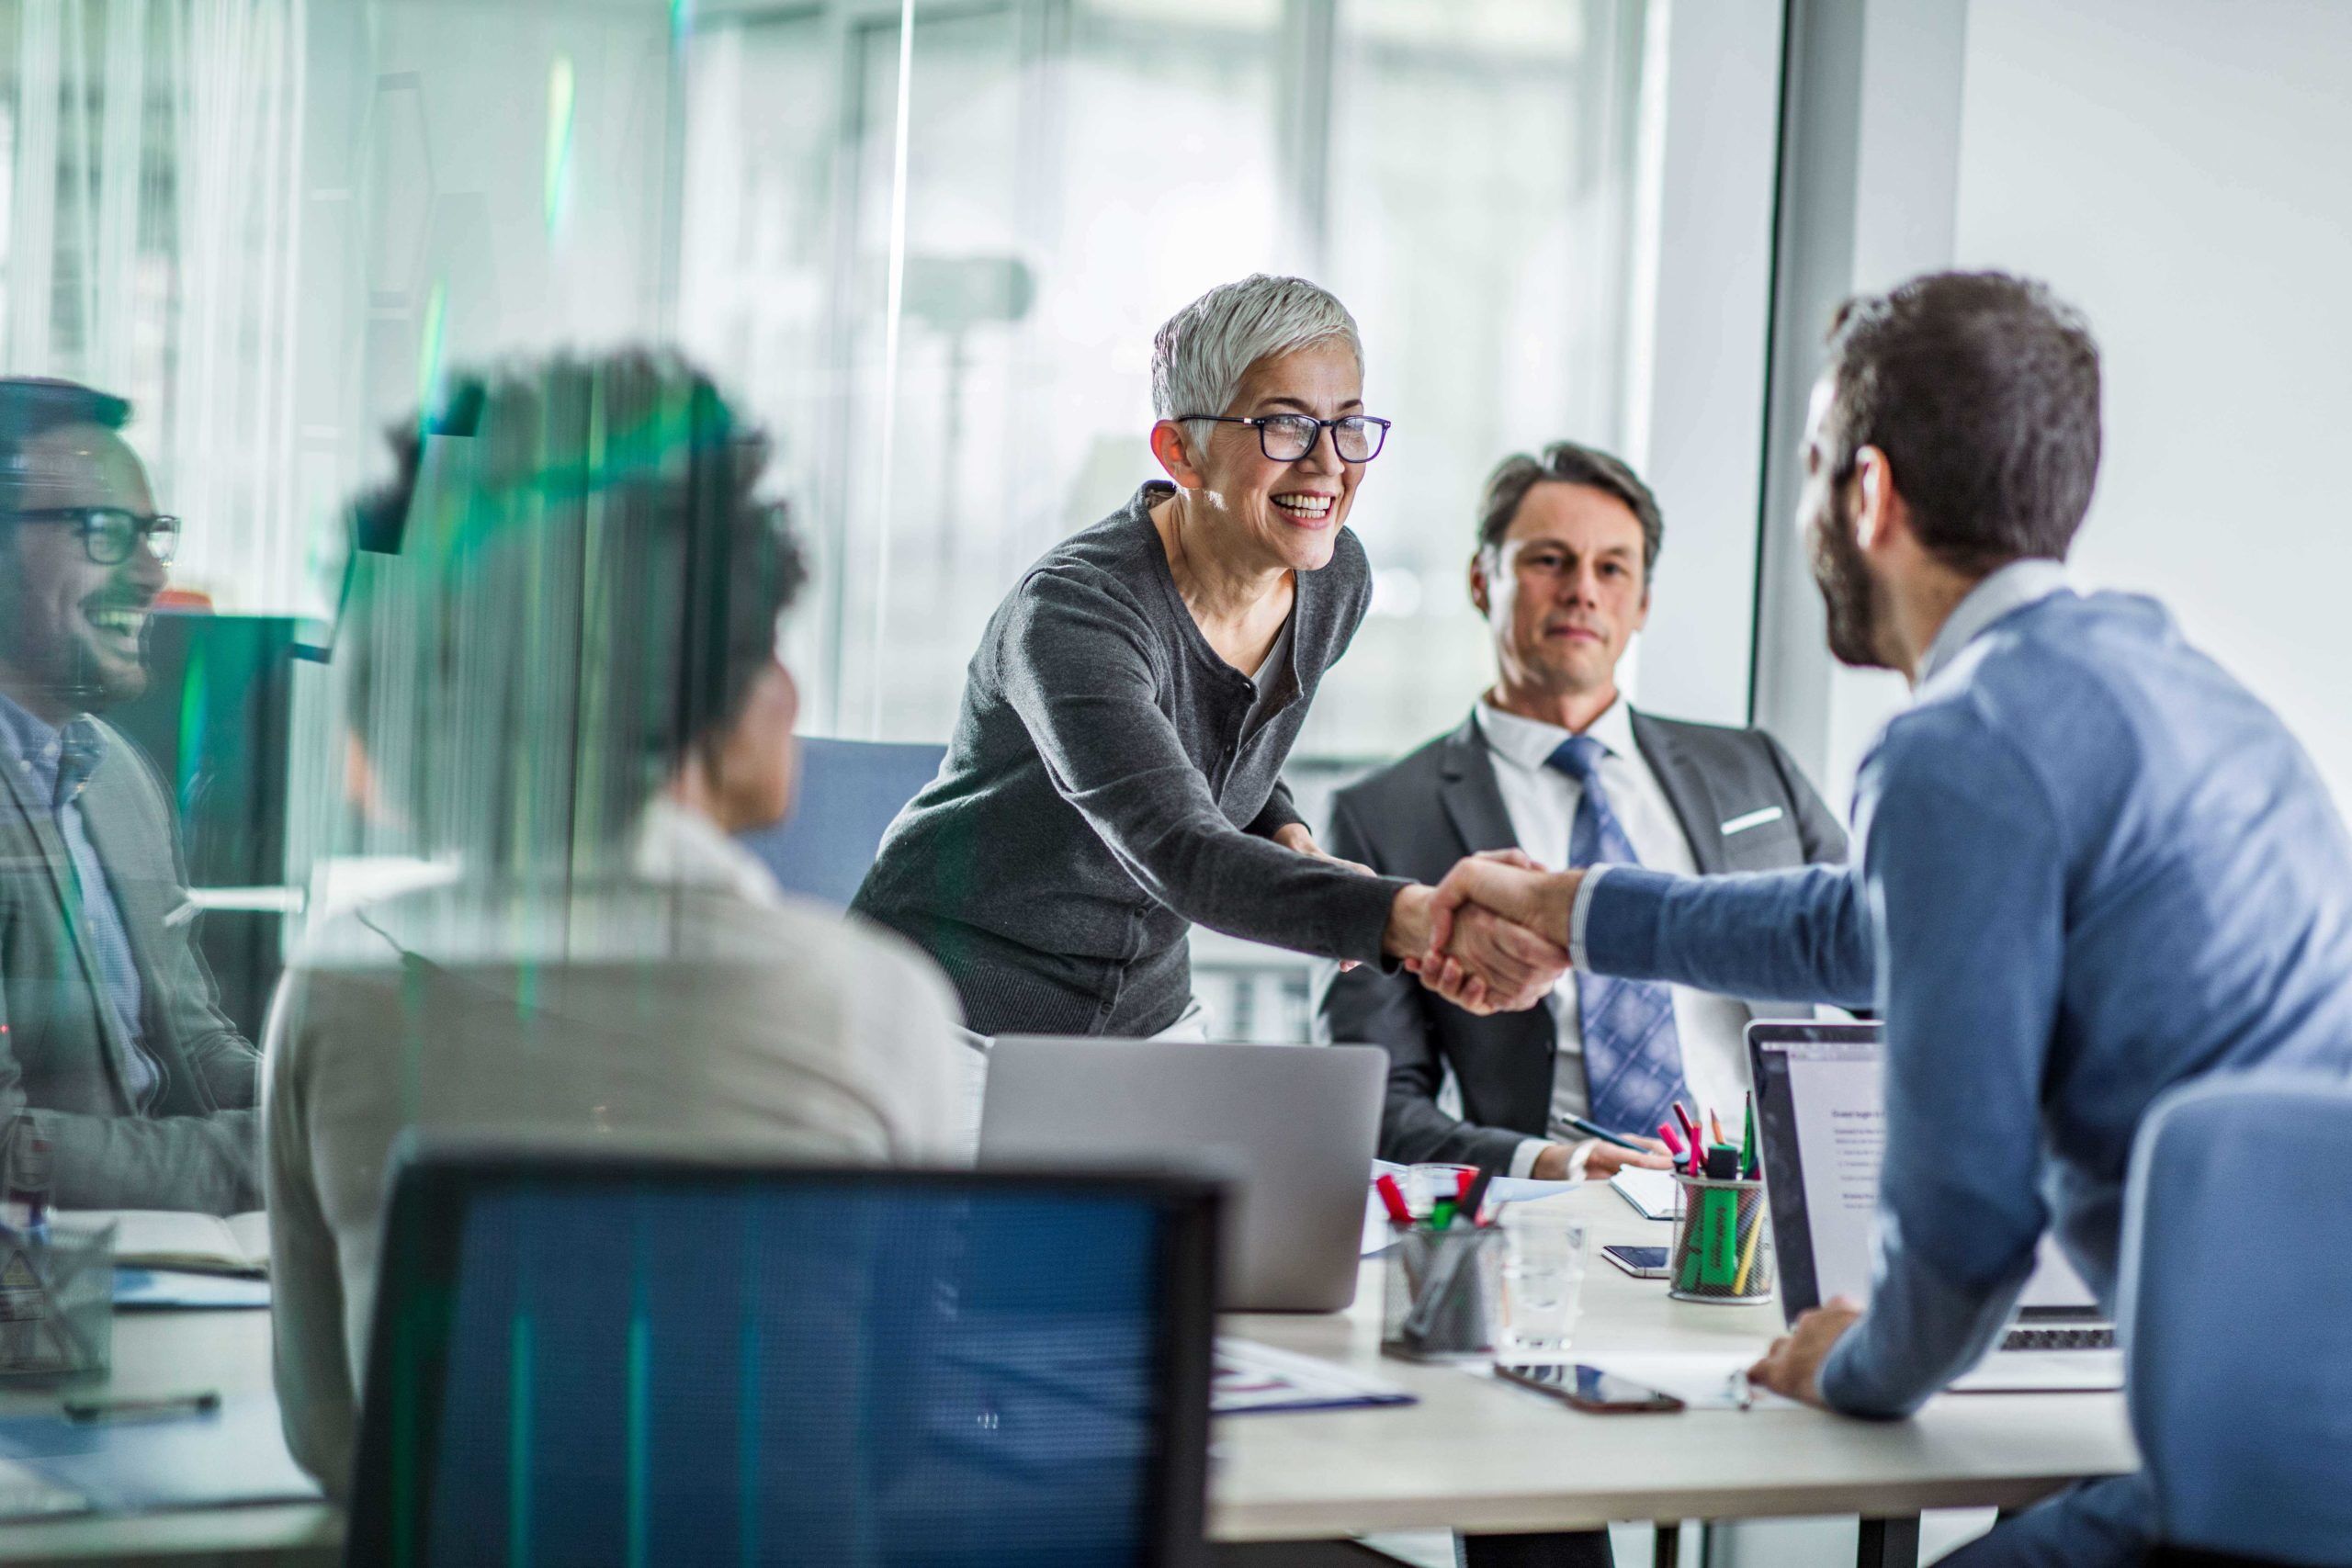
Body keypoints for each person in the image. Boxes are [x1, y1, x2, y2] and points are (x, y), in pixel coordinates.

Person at [1419, 272, 2352, 1565]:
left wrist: (1856, 1361)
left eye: (1810, 468)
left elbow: (1964, 1229)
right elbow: (1864, 929)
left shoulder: (1964, 747)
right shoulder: (2186, 692)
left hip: (2266, 1471)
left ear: (1866, 494)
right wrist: (1573, 908)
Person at [265, 354, 968, 1495]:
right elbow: (877, 1448)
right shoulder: (879, 1005)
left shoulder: (340, 982)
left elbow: (338, 1446)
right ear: (707, 682)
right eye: (766, 642)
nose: (789, 686)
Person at [852, 274, 1560, 1040]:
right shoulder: (1073, 613)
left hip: (1144, 1017)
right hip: (951, 1017)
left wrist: (1282, 827)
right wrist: (1415, 920)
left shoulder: (1331, 582)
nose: (1328, 466)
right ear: (1181, 451)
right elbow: (1178, 845)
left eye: (1348, 426)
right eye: (1285, 427)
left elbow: (1224, 749)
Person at [1318, 441, 1844, 1180]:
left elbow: (1884, 963)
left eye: (1612, 567)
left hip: (1777, 1205)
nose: (1582, 592)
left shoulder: (1755, 767)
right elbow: (1371, 1102)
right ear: (1482, 579)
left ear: (1643, 602)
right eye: (1549, 561)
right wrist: (1553, 1164)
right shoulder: (1383, 815)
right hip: (1553, 1219)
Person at [0, 377, 259, 1214]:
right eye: (107, 531)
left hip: (146, 1259)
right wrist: (276, 1158)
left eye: (154, 535)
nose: (152, 575)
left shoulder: (114, 769)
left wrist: (330, 1104)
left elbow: (187, 1041)